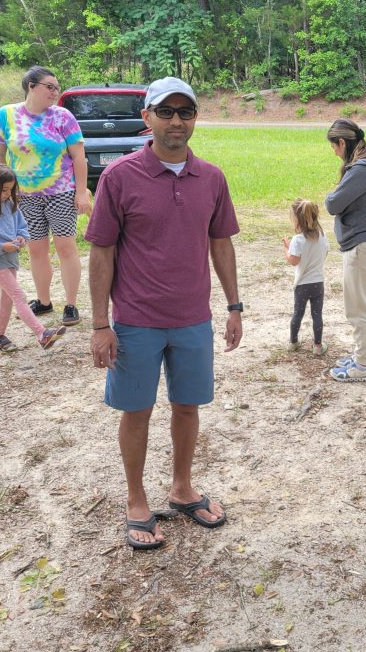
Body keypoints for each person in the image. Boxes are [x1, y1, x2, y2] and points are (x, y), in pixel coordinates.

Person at [85, 76, 243, 551]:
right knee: (137, 410)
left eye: (186, 112)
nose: (177, 121)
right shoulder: (119, 177)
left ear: (195, 119)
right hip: (136, 320)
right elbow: (102, 253)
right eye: (167, 112)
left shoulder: (211, 177)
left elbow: (221, 242)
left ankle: (181, 488)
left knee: (188, 405)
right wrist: (99, 324)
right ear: (147, 118)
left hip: (194, 316)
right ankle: (136, 499)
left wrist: (234, 306)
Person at [0, 65, 91, 328]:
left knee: (66, 247)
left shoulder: (63, 116)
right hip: (24, 196)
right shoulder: (6, 115)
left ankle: (71, 304)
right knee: (36, 249)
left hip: (61, 193)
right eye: (50, 87)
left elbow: (79, 157)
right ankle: (44, 301)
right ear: (31, 86)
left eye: (57, 88)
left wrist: (81, 192)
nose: (55, 92)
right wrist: (1, 193)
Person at [0, 164, 67, 352]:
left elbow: (22, 227)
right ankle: (42, 334)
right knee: (19, 295)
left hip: (11, 257)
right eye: (3, 190)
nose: (7, 194)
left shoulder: (10, 205)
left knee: (8, 298)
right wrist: (0, 246)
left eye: (10, 190)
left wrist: (22, 237)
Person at [324, 118, 366, 383]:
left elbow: (332, 203)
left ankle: (362, 366)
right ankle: (364, 355)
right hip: (365, 242)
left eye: (334, 146)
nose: (334, 152)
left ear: (343, 142)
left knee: (358, 309)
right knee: (363, 304)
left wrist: (332, 195)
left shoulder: (361, 170)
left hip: (361, 246)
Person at [283, 198, 330, 356]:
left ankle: (293, 342)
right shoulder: (322, 237)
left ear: (298, 220)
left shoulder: (298, 239)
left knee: (298, 313)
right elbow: (323, 253)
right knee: (317, 314)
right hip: (318, 283)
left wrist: (287, 251)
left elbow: (294, 260)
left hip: (302, 284)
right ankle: (317, 346)